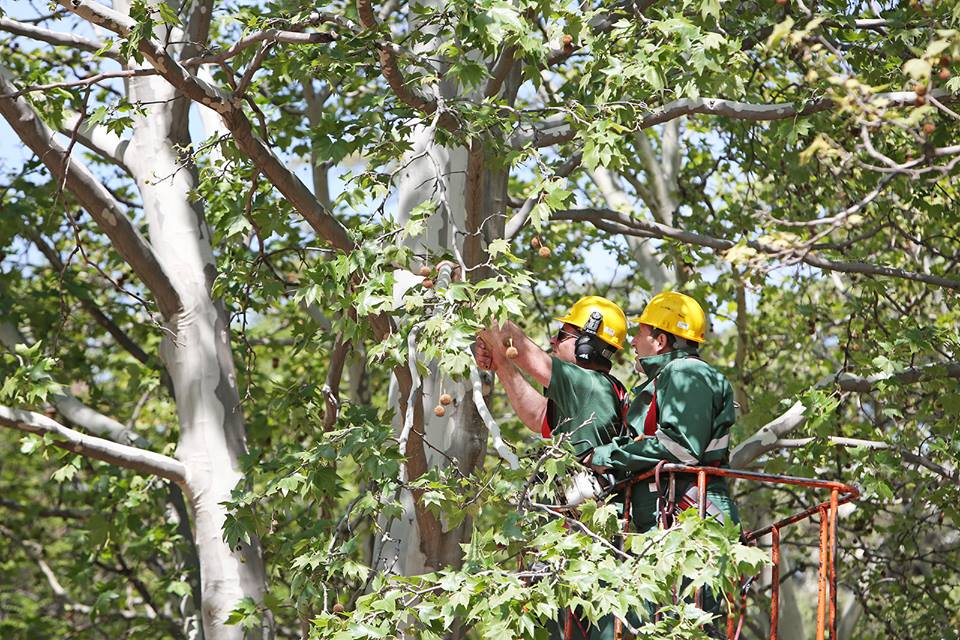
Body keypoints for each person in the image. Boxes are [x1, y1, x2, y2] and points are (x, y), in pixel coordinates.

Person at [475, 295, 629, 640]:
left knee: (589, 624)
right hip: (572, 527)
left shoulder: (587, 383)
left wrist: (475, 300)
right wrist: (499, 360)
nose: (553, 341)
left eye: (562, 334)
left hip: (587, 525)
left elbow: (529, 354)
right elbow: (536, 416)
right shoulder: (585, 393)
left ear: (587, 343)